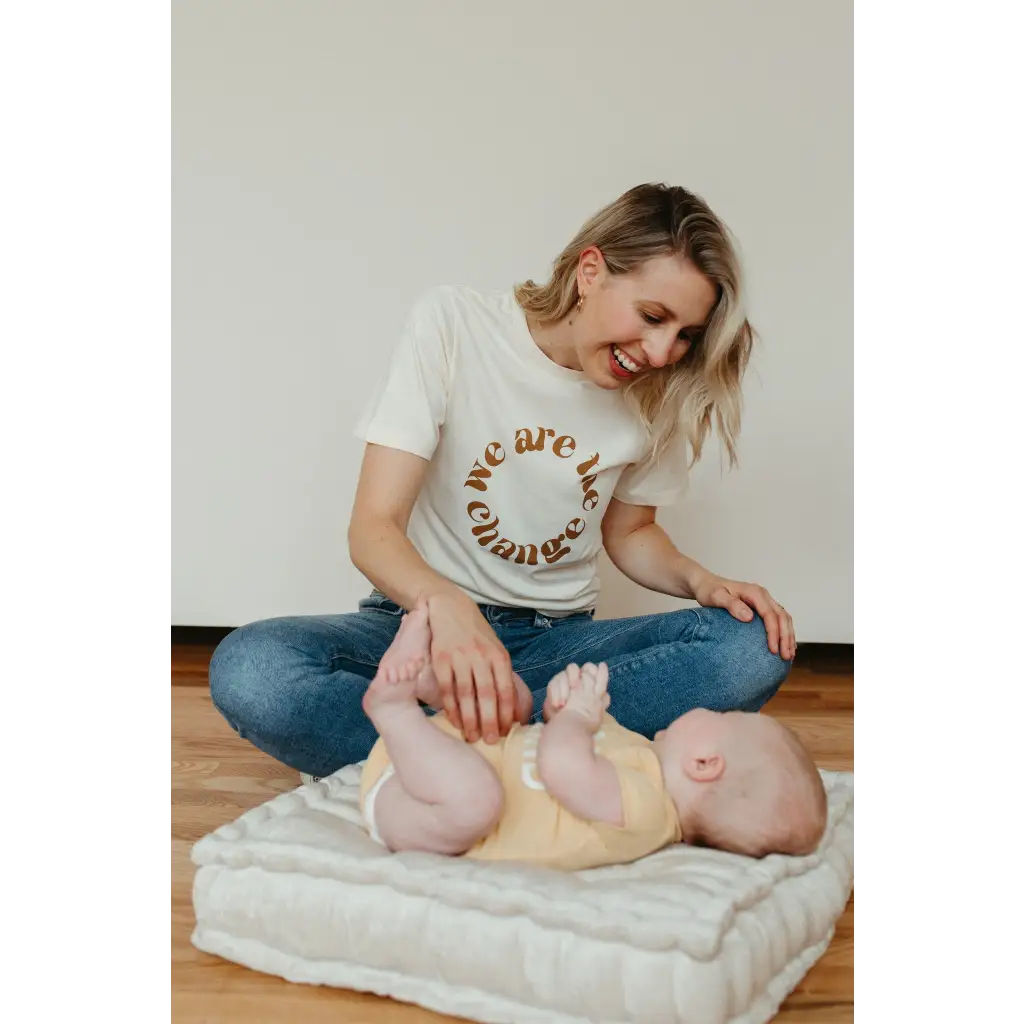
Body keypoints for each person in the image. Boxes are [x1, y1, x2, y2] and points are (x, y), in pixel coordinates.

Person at [209, 182, 797, 781]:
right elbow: (373, 528)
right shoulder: (454, 326)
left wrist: (704, 582)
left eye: (684, 335)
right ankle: (539, 758)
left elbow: (633, 532)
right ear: (590, 271)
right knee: (254, 669)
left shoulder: (656, 397)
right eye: (652, 317)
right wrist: (448, 610)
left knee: (751, 648)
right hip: (415, 628)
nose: (661, 351)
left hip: (553, 650)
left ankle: (440, 757)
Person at [360, 601, 826, 868]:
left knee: (476, 799)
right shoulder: (639, 756)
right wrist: (560, 706)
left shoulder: (648, 814)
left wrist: (574, 721)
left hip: (418, 805)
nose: (711, 711)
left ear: (704, 763)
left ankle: (396, 711)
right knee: (514, 701)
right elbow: (554, 736)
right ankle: (424, 681)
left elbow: (561, 764)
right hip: (445, 757)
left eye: (722, 718)